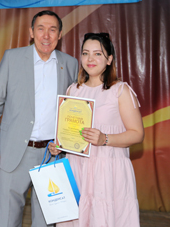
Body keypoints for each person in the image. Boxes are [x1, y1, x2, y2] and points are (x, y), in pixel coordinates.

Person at [0, 10, 79, 227]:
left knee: (45, 223)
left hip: (52, 156)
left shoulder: (70, 64)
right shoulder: (12, 58)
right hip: (13, 154)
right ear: (31, 32)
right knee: (7, 221)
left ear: (60, 35)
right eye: (40, 29)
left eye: (52, 30)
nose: (46, 35)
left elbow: (73, 111)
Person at [49, 32, 144, 227]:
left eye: (97, 54)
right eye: (85, 53)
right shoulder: (73, 90)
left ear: (109, 59)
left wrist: (105, 139)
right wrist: (59, 145)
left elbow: (137, 134)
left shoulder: (120, 91)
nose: (90, 59)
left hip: (108, 171)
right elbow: (70, 131)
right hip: (77, 169)